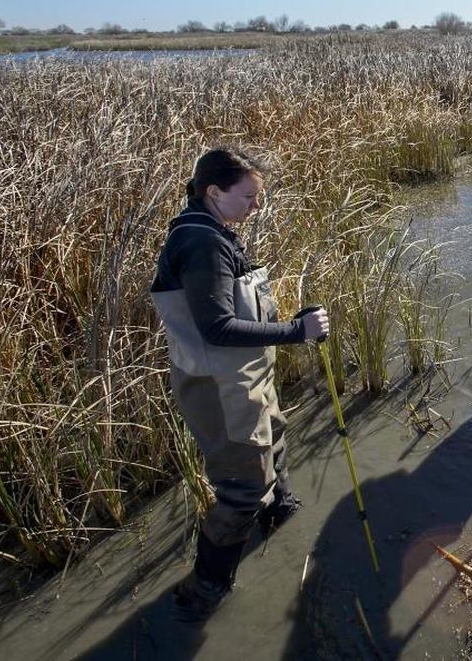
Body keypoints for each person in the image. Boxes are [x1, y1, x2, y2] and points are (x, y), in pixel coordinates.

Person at [149, 147, 330, 621]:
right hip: (220, 389)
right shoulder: (201, 243)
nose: (257, 206)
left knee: (276, 438)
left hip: (245, 378)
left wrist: (293, 322)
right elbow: (216, 328)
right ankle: (205, 590)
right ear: (214, 192)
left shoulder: (214, 231)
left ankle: (282, 515)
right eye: (249, 196)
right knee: (241, 488)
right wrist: (297, 332)